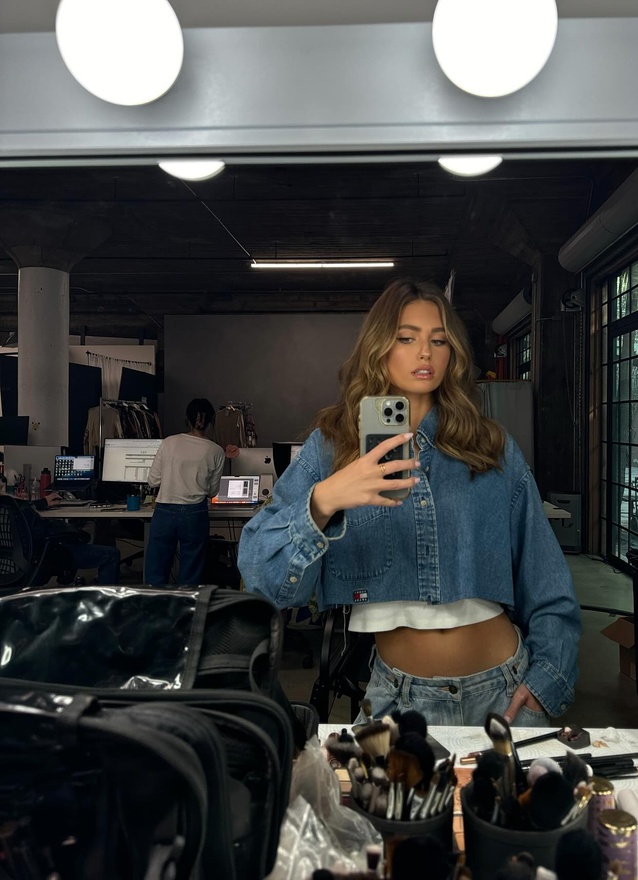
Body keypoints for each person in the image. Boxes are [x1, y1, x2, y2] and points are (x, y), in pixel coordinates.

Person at [238, 279, 582, 726]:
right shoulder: (332, 449)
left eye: (439, 340)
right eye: (406, 338)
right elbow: (261, 577)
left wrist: (545, 682)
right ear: (379, 347)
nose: (425, 352)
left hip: (504, 694)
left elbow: (547, 578)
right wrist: (325, 500)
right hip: (397, 701)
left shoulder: (490, 447)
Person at [145, 398, 235, 586]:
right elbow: (212, 491)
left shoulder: (169, 442)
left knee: (156, 571)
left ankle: (155, 603)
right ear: (211, 422)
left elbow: (153, 480)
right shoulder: (217, 451)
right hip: (195, 514)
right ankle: (187, 603)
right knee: (191, 574)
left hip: (164, 512)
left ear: (187, 419)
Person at [20, 493, 121, 584]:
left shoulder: (14, 507)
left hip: (18, 562)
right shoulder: (24, 509)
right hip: (46, 556)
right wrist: (78, 534)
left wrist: (42, 502)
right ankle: (107, 599)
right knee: (111, 554)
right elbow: (48, 530)